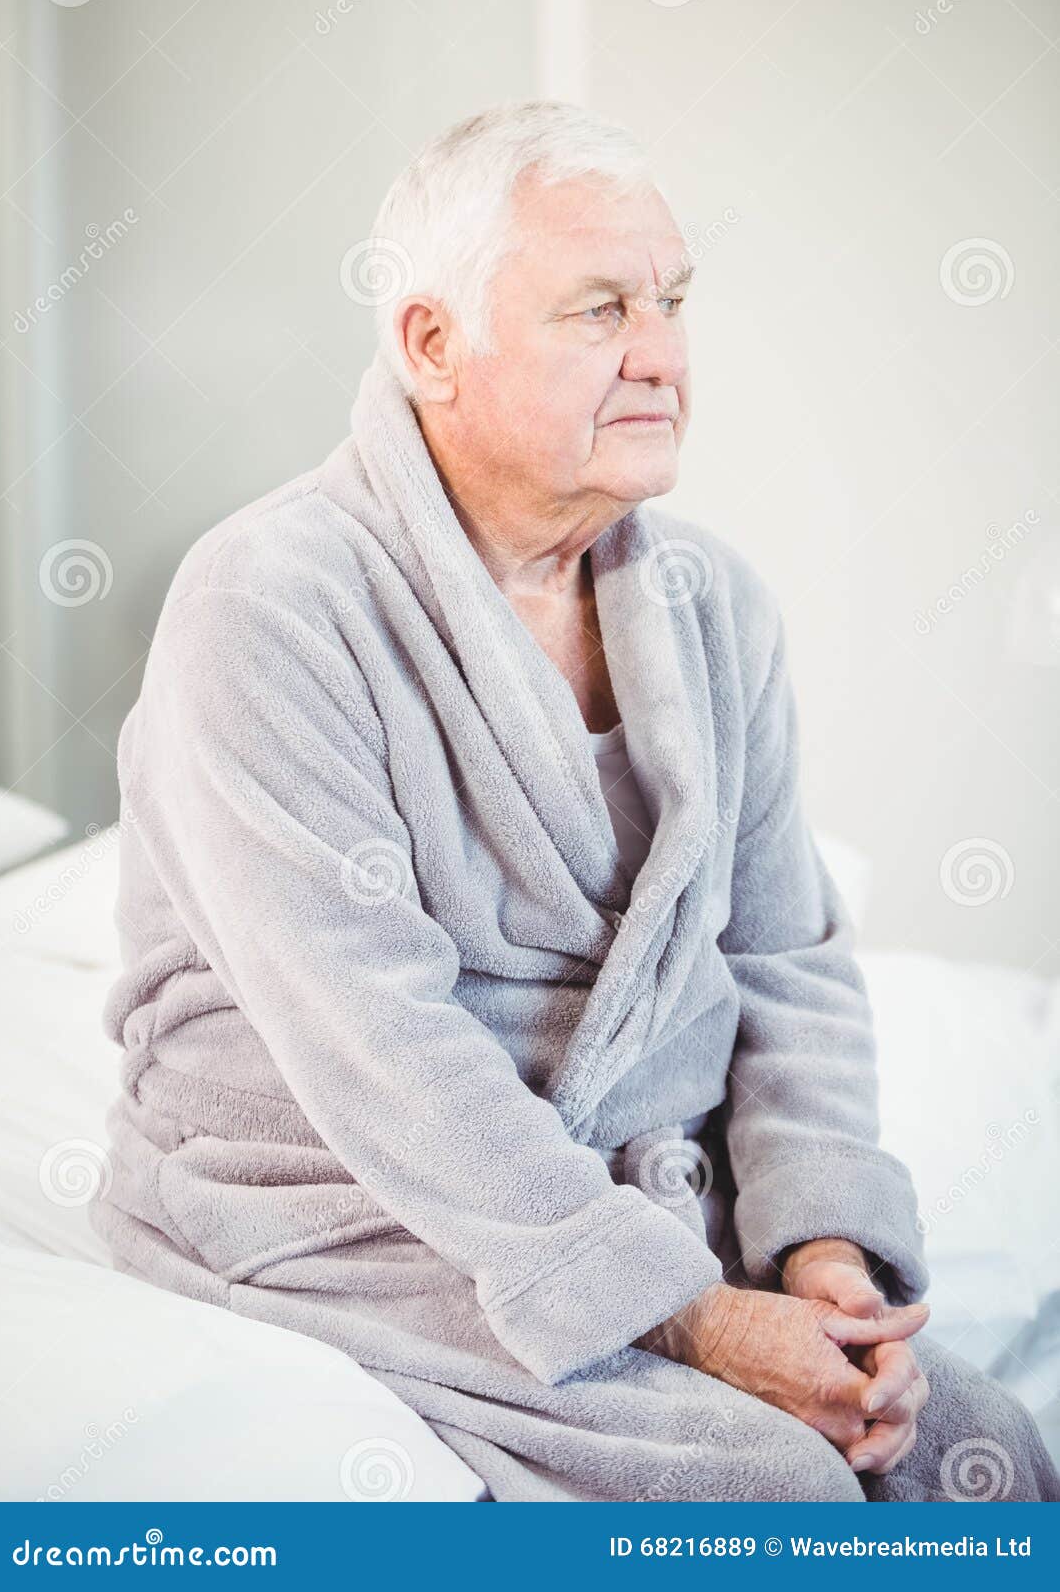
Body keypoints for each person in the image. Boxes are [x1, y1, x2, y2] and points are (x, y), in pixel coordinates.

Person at [93, 101, 1058, 1503]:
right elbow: (380, 1043)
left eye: (670, 301)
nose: (662, 355)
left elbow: (786, 965)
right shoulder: (272, 603)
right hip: (353, 1204)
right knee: (772, 1488)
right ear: (432, 345)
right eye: (600, 309)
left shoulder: (711, 605)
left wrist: (820, 1255)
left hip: (635, 1202)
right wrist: (696, 1315)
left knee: (982, 1455)